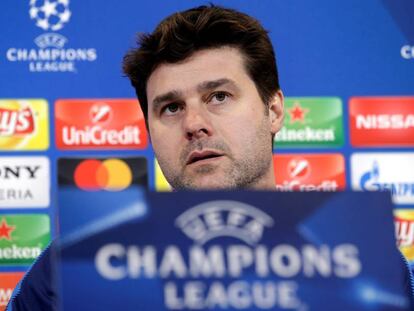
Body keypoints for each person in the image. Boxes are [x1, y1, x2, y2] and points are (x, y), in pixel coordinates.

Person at [6, 4, 413, 310]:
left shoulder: (363, 264)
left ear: (274, 110)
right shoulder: (74, 267)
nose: (194, 124)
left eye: (219, 96)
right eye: (170, 107)